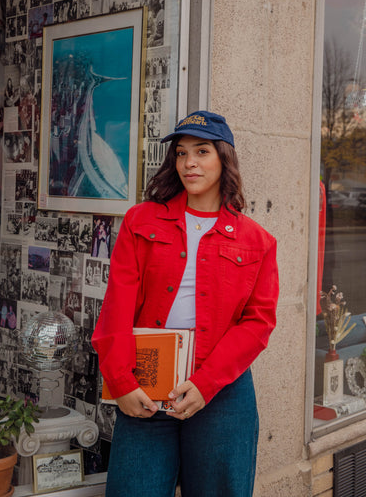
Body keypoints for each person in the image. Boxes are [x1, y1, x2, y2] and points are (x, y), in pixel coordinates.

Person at [92, 110, 279, 497]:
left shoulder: (256, 241)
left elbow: (258, 323)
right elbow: (117, 307)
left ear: (223, 158)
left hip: (221, 391)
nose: (189, 162)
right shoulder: (141, 221)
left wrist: (206, 383)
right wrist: (121, 381)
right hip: (145, 384)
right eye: (180, 153)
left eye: (202, 151)